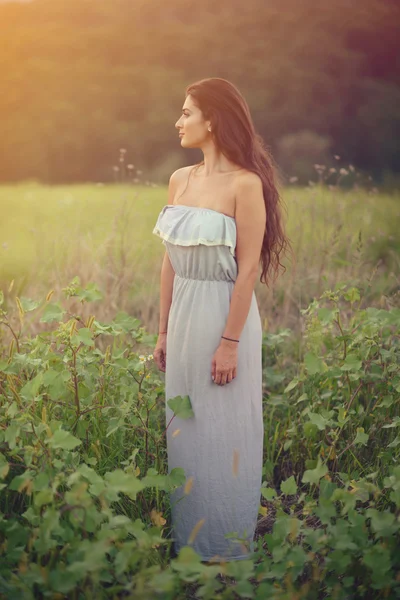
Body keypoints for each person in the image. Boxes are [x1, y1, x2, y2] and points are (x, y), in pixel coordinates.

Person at [152, 77, 291, 563]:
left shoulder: (244, 184)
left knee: (225, 428)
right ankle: (191, 542)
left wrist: (230, 341)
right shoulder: (179, 179)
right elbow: (170, 259)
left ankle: (227, 550)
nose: (179, 121)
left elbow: (248, 266)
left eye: (187, 112)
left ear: (212, 120)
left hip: (224, 315)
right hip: (184, 313)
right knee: (185, 425)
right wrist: (164, 329)